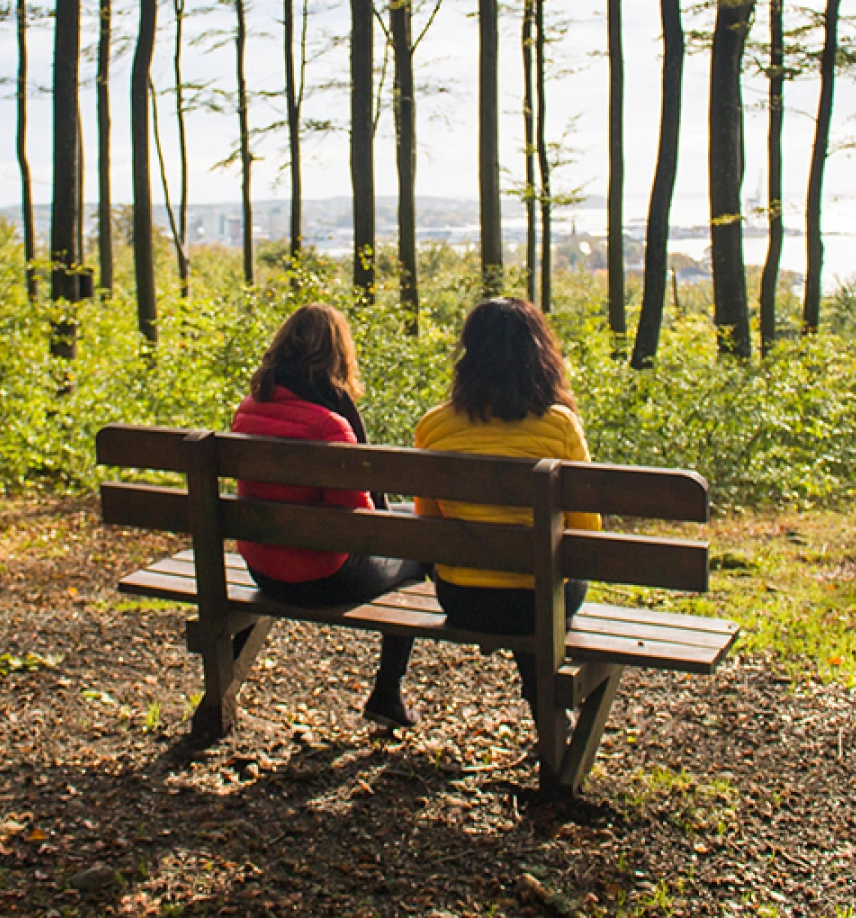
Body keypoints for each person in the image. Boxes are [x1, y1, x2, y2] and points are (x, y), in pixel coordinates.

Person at [229, 303, 425, 729]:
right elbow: (358, 523)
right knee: (418, 543)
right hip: (320, 578)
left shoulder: (248, 410)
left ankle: (220, 690)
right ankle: (387, 693)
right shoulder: (330, 424)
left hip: (263, 569)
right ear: (339, 355)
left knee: (406, 527)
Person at [413, 297, 600, 718]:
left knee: (529, 585)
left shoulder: (434, 426)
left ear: (469, 356)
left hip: (462, 598)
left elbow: (428, 524)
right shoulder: (559, 426)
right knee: (544, 583)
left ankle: (544, 708)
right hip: (538, 603)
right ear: (539, 355)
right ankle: (549, 714)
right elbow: (587, 530)